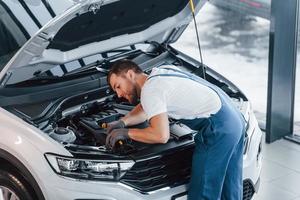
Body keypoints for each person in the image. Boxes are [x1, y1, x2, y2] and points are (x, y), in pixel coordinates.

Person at [105, 59, 245, 200]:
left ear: (130, 74)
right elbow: (147, 108)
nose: (118, 94)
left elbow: (160, 135)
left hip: (219, 129)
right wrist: (122, 122)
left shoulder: (150, 91)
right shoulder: (161, 72)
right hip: (233, 118)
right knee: (230, 184)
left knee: (204, 190)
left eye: (118, 86)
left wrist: (126, 133)